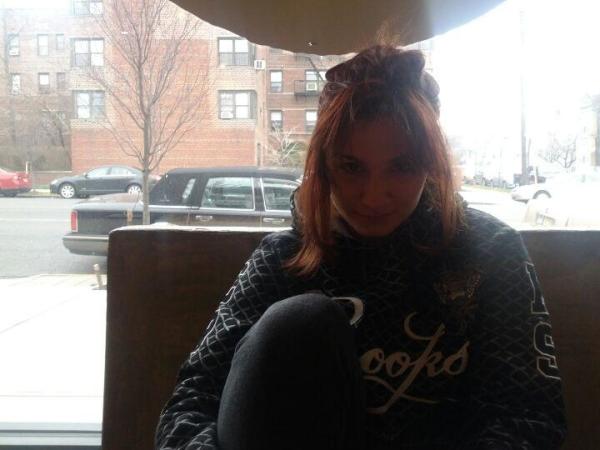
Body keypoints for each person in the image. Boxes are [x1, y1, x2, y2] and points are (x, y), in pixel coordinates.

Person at [155, 45, 567, 450]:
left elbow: (528, 416)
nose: (372, 196)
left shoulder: (491, 252)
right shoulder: (283, 258)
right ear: (324, 166)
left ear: (430, 163)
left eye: (401, 167)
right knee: (300, 321)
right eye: (351, 167)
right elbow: (190, 403)